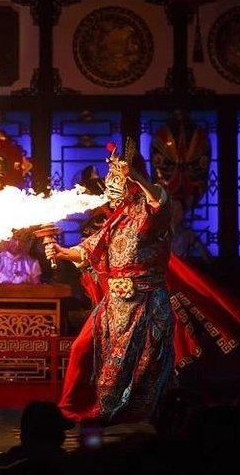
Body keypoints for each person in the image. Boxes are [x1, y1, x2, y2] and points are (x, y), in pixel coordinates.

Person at [45, 138, 174, 424]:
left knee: (131, 362)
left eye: (117, 178)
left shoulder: (148, 213)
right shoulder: (117, 218)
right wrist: (62, 251)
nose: (110, 184)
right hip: (113, 303)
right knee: (81, 348)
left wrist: (137, 176)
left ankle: (107, 413)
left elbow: (158, 201)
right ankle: (67, 409)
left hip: (144, 302)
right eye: (110, 178)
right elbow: (89, 249)